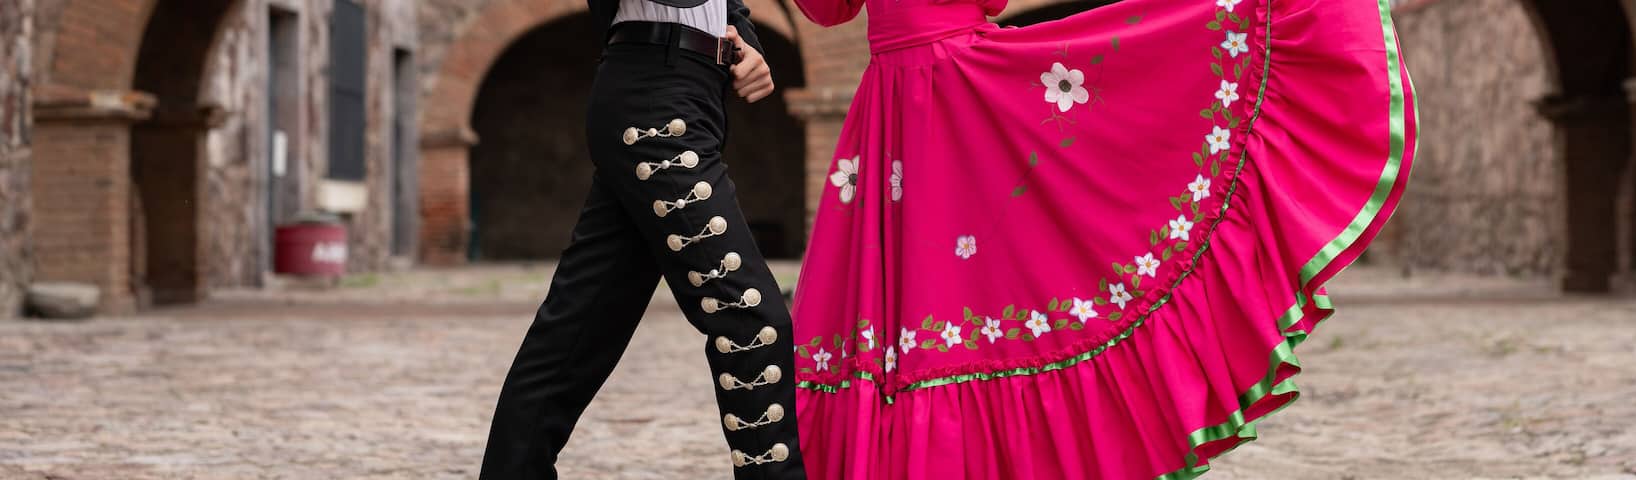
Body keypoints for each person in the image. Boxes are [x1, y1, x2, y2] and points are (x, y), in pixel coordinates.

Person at [785, 0, 1417, 477]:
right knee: (929, 301)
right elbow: (827, 9)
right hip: (900, 102)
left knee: (973, 289)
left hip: (952, 87)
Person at [476, 0, 805, 478]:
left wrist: (742, 39)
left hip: (689, 94)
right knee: (750, 318)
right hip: (655, 100)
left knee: (579, 330)